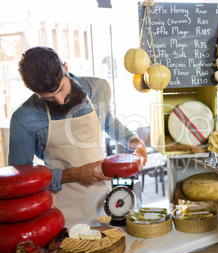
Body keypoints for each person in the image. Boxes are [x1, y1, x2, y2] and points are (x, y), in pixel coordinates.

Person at [9, 46, 147, 227]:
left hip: (104, 206)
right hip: (61, 216)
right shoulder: (23, 119)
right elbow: (22, 181)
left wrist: (135, 142)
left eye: (60, 89)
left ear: (66, 68)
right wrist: (72, 175)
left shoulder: (99, 89)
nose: (60, 100)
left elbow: (108, 122)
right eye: (48, 98)